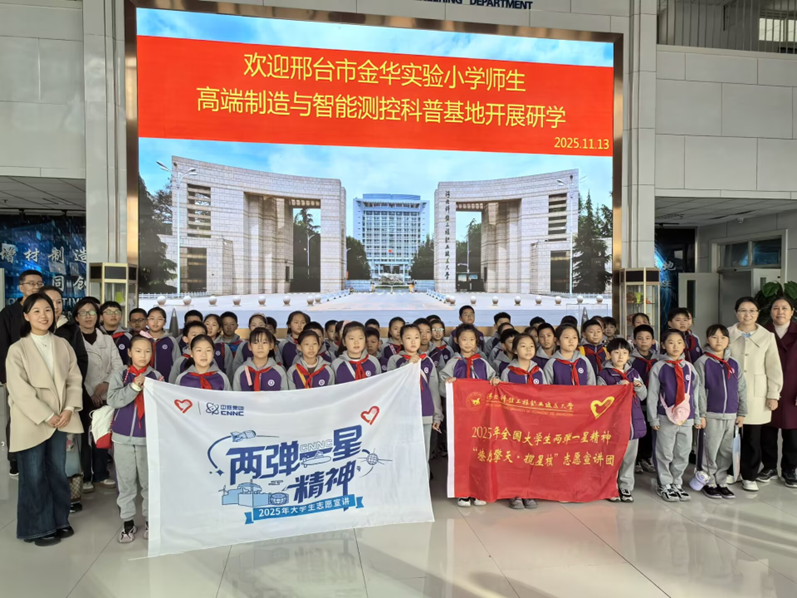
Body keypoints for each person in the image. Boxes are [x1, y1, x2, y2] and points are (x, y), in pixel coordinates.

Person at [6, 292, 83, 545]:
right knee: (33, 474)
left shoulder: (63, 345)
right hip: (32, 420)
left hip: (61, 418)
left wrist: (69, 408)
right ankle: (37, 527)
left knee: (58, 472)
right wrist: (47, 415)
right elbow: (19, 389)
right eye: (36, 311)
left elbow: (74, 378)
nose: (43, 315)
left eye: (48, 310)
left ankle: (59, 520)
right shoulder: (17, 349)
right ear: (26, 316)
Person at [106, 335, 163, 542]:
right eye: (138, 351)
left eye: (147, 351)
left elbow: (162, 405)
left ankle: (150, 520)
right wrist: (134, 387)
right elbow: (113, 400)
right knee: (126, 482)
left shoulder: (157, 377)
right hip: (122, 438)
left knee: (149, 482)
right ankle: (128, 522)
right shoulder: (120, 374)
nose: (143, 355)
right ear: (129, 353)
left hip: (148, 438)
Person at [440, 324, 498, 508]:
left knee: (480, 453)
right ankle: (463, 491)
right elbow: (442, 385)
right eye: (464, 339)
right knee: (462, 454)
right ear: (457, 341)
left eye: (472, 340)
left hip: (481, 418)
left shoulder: (483, 363)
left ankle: (479, 490)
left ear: (477, 342)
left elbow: (494, 382)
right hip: (460, 418)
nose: (468, 343)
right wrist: (449, 384)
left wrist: (494, 381)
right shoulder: (453, 363)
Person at [728, 296, 783, 492]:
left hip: (757, 393)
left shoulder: (767, 336)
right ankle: (731, 471)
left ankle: (749, 476)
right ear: (736, 313)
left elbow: (774, 367)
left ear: (758, 314)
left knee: (752, 438)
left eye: (752, 311)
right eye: (743, 310)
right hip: (731, 392)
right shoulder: (727, 334)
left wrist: (773, 394)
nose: (747, 315)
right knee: (730, 435)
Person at [648, 329, 703, 502]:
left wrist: (697, 416)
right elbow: (653, 394)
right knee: (665, 452)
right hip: (665, 417)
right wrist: (653, 418)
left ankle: (677, 482)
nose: (676, 346)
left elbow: (696, 393)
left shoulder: (689, 367)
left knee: (683, 452)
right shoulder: (659, 367)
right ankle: (664, 483)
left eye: (679, 342)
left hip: (686, 417)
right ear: (663, 345)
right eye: (671, 342)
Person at [75, 297, 123, 491]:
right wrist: (90, 392)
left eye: (92, 312)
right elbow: (73, 369)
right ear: (76, 317)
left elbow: (118, 365)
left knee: (102, 432)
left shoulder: (107, 339)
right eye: (83, 313)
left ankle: (101, 473)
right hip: (82, 394)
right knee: (85, 437)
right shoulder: (72, 340)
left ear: (98, 316)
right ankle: (85, 475)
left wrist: (106, 384)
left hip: (105, 394)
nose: (88, 316)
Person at [695, 324, 747, 499]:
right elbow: (699, 391)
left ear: (728, 340)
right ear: (707, 339)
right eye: (714, 337)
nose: (719, 341)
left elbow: (741, 388)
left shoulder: (734, 363)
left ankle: (721, 481)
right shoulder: (702, 362)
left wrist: (741, 412)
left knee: (726, 450)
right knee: (710, 450)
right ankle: (708, 480)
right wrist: (702, 414)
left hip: (731, 415)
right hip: (711, 414)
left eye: (723, 337)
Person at [1, 269, 44, 477]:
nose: (36, 287)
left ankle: (38, 456)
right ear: (21, 287)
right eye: (31, 283)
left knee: (41, 412)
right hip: (16, 374)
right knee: (17, 416)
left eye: (39, 284)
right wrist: (6, 378)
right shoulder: (9, 313)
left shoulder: (45, 310)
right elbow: (2, 346)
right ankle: (15, 458)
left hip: (42, 375)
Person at [599, 338, 647, 503]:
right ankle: (610, 486)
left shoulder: (634, 373)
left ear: (629, 355)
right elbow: (601, 399)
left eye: (624, 353)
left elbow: (643, 396)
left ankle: (625, 486)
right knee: (613, 457)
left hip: (633, 422)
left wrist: (639, 387)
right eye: (616, 352)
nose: (620, 356)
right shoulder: (604, 374)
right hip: (614, 423)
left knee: (629, 457)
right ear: (609, 354)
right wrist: (618, 388)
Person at [499, 332, 543, 511]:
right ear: (515, 350)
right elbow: (501, 396)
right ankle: (515, 492)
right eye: (523, 346)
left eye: (531, 346)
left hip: (535, 421)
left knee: (532, 456)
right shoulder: (508, 372)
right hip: (515, 421)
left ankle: (529, 491)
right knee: (516, 456)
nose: (528, 350)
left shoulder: (539, 371)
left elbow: (547, 395)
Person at [387, 324, 442, 460]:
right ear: (401, 340)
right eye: (408, 338)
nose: (413, 341)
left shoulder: (427, 361)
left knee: (424, 453)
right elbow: (392, 384)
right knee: (404, 452)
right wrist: (408, 365)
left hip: (425, 412)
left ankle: (424, 474)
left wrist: (437, 415)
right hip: (402, 414)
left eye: (416, 337)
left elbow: (434, 389)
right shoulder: (395, 360)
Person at [762, 297, 797, 488]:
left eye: (785, 308)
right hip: (767, 387)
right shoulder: (763, 332)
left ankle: (790, 469)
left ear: (792, 312)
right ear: (771, 311)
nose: (780, 312)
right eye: (776, 308)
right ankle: (769, 467)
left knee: (792, 432)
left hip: (793, 388)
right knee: (767, 430)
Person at [630, 324, 658, 473]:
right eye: (640, 338)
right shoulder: (630, 360)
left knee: (650, 432)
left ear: (653, 341)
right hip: (636, 402)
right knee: (637, 431)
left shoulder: (658, 360)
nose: (644, 341)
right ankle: (636, 460)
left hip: (654, 402)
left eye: (647, 338)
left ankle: (646, 458)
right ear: (634, 341)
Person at [145, 307, 179, 380]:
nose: (155, 322)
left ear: (165, 322)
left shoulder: (171, 341)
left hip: (166, 381)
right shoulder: (141, 339)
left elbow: (177, 363)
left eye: (160, 319)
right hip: (144, 380)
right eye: (152, 318)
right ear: (146, 321)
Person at [204, 314, 234, 378]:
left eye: (214, 325)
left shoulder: (224, 347)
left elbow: (229, 372)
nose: (209, 328)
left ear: (219, 329)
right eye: (207, 324)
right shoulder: (196, 345)